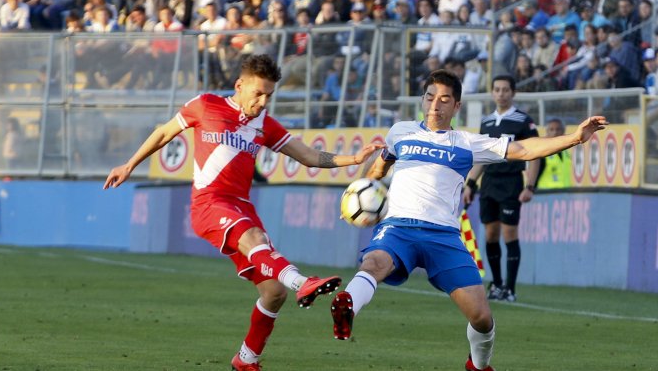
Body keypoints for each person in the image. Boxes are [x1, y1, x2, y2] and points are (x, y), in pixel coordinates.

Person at [103, 54, 383, 371]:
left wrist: (353, 158)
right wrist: (129, 165)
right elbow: (164, 133)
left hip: (241, 206)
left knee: (273, 292)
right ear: (240, 85)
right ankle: (302, 282)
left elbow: (309, 156)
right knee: (255, 237)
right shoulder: (204, 105)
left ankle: (246, 359)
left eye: (269, 95)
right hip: (209, 203)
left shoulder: (265, 125)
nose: (263, 102)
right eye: (258, 93)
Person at [330, 70, 607, 371]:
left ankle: (478, 365)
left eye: (444, 99)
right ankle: (347, 306)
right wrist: (367, 190)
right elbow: (377, 173)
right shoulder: (400, 132)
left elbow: (525, 149)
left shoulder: (467, 143)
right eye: (430, 97)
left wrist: (576, 138)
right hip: (399, 227)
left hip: (444, 236)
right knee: (374, 264)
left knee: (482, 318)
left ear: (457, 106)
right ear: (422, 100)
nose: (435, 105)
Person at [461, 75, 539, 303]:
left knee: (509, 233)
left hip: (511, 183)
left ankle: (510, 288)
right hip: (489, 184)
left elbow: (535, 155)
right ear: (492, 93)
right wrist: (471, 183)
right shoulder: (486, 122)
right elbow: (483, 156)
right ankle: (496, 284)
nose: (501, 94)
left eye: (505, 90)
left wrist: (530, 186)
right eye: (497, 89)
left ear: (512, 93)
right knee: (491, 234)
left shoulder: (523, 121)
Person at [536, 118, 572, 189]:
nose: (555, 132)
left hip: (565, 193)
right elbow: (534, 175)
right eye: (551, 129)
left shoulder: (566, 152)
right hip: (546, 194)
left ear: (563, 132)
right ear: (547, 132)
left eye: (558, 129)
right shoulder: (542, 152)